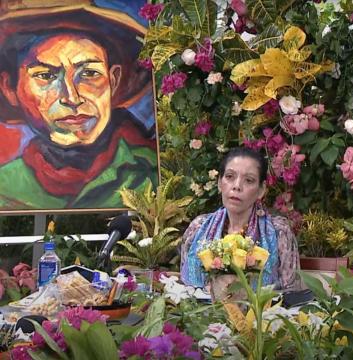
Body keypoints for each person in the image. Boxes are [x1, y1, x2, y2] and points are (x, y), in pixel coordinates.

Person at [0, 0, 158, 210]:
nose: (72, 98)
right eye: (46, 76)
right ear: (10, 88)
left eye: (89, 74)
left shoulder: (153, 169)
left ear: (113, 81)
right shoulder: (8, 186)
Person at [181, 147, 301, 291]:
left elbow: (292, 293)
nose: (237, 186)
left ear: (261, 190)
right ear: (220, 183)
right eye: (230, 177)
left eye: (249, 180)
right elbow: (184, 291)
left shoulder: (279, 232)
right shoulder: (198, 228)